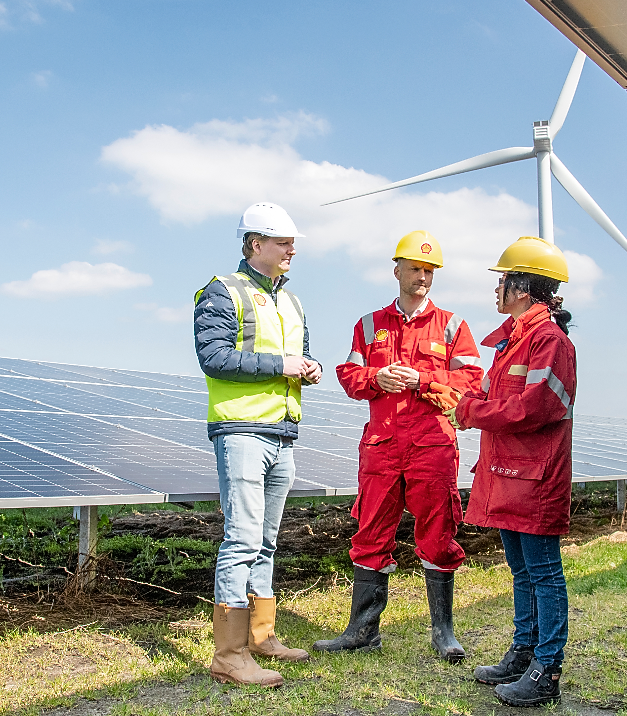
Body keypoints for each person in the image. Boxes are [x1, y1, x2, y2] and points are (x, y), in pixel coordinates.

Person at [316, 231, 485, 662]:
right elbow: (349, 374)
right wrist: (377, 379)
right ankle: (362, 631)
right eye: (415, 269)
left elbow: (472, 382)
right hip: (382, 447)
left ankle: (443, 632)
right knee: (370, 533)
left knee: (438, 536)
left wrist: (424, 380)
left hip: (432, 446)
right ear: (397, 271)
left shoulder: (452, 325)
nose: (423, 277)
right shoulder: (369, 324)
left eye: (429, 271)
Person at [194, 202, 323, 687]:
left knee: (266, 541)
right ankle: (228, 655)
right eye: (283, 242)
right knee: (242, 539)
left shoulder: (292, 302)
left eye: (293, 243)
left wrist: (309, 368)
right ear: (255, 245)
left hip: (283, 434)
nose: (292, 250)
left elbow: (303, 354)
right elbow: (213, 357)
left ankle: (260, 636)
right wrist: (282, 365)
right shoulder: (221, 291)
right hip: (242, 430)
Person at [445, 236, 576, 707]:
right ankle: (523, 653)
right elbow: (494, 399)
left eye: (502, 279)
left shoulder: (550, 342)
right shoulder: (513, 341)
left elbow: (535, 407)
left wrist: (473, 411)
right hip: (508, 472)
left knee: (543, 572)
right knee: (522, 570)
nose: (496, 288)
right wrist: (471, 404)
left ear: (522, 287)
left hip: (535, 477)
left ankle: (547, 669)